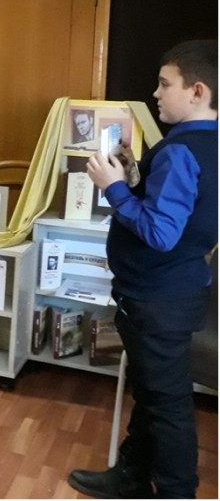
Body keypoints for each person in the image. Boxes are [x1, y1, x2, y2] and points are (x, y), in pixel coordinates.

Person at [68, 40, 218, 499]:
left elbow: (160, 232)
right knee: (154, 393)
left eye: (164, 84)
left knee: (167, 405)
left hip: (157, 298)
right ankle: (131, 475)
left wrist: (113, 188)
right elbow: (185, 213)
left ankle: (176, 491)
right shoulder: (207, 146)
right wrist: (134, 177)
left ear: (197, 91)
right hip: (176, 293)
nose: (155, 93)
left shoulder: (180, 151)